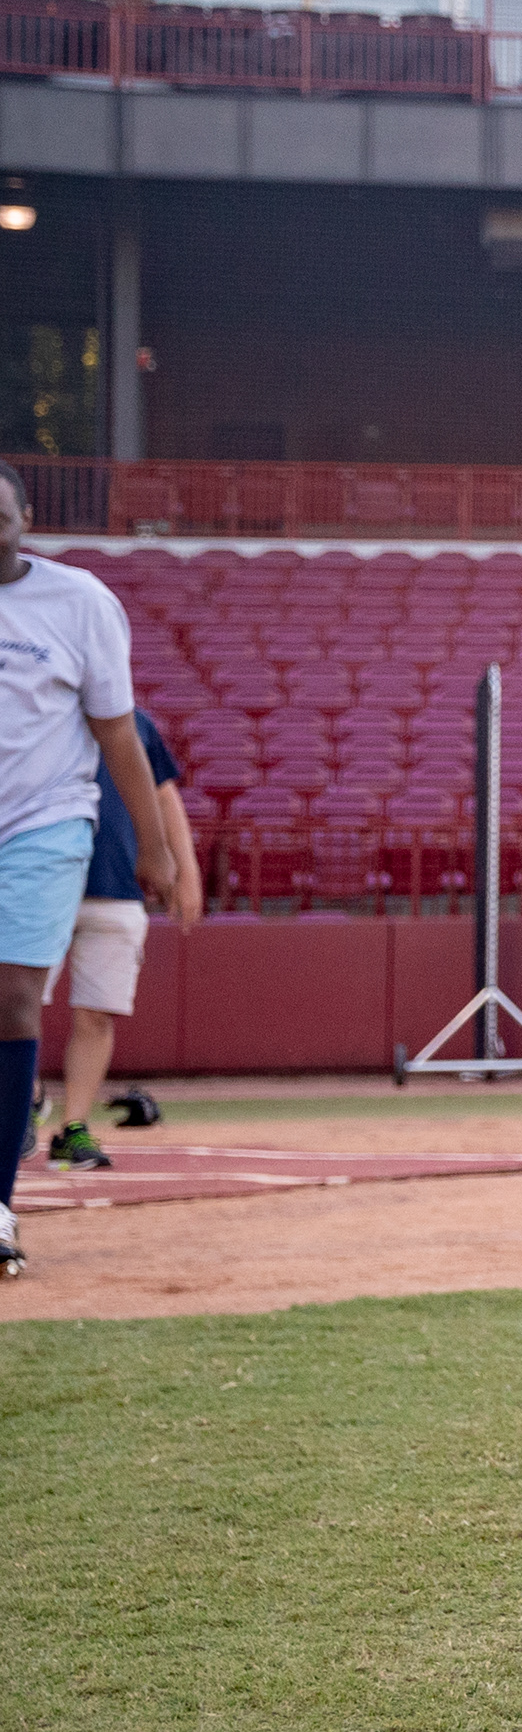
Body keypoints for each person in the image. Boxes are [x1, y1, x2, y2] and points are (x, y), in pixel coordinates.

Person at [0, 465, 181, 1281]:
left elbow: (123, 739)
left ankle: (1, 1199)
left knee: (16, 998)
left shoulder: (78, 603)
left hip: (44, 829)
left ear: (24, 519)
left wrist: (157, 848)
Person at [42, 708, 196, 1169]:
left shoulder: (138, 723)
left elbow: (165, 795)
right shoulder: (39, 711)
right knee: (16, 1004)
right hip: (42, 882)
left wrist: (186, 871)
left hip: (115, 886)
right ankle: (24, 1096)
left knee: (96, 1014)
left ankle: (73, 1127)